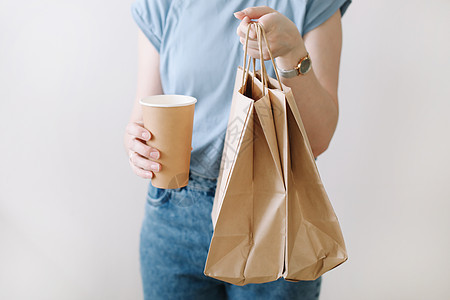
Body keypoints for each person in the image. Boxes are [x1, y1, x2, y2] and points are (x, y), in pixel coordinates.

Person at [124, 1, 351, 299]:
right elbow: (146, 111)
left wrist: (291, 53)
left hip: (274, 209)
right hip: (174, 208)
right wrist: (137, 144)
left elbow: (319, 137)